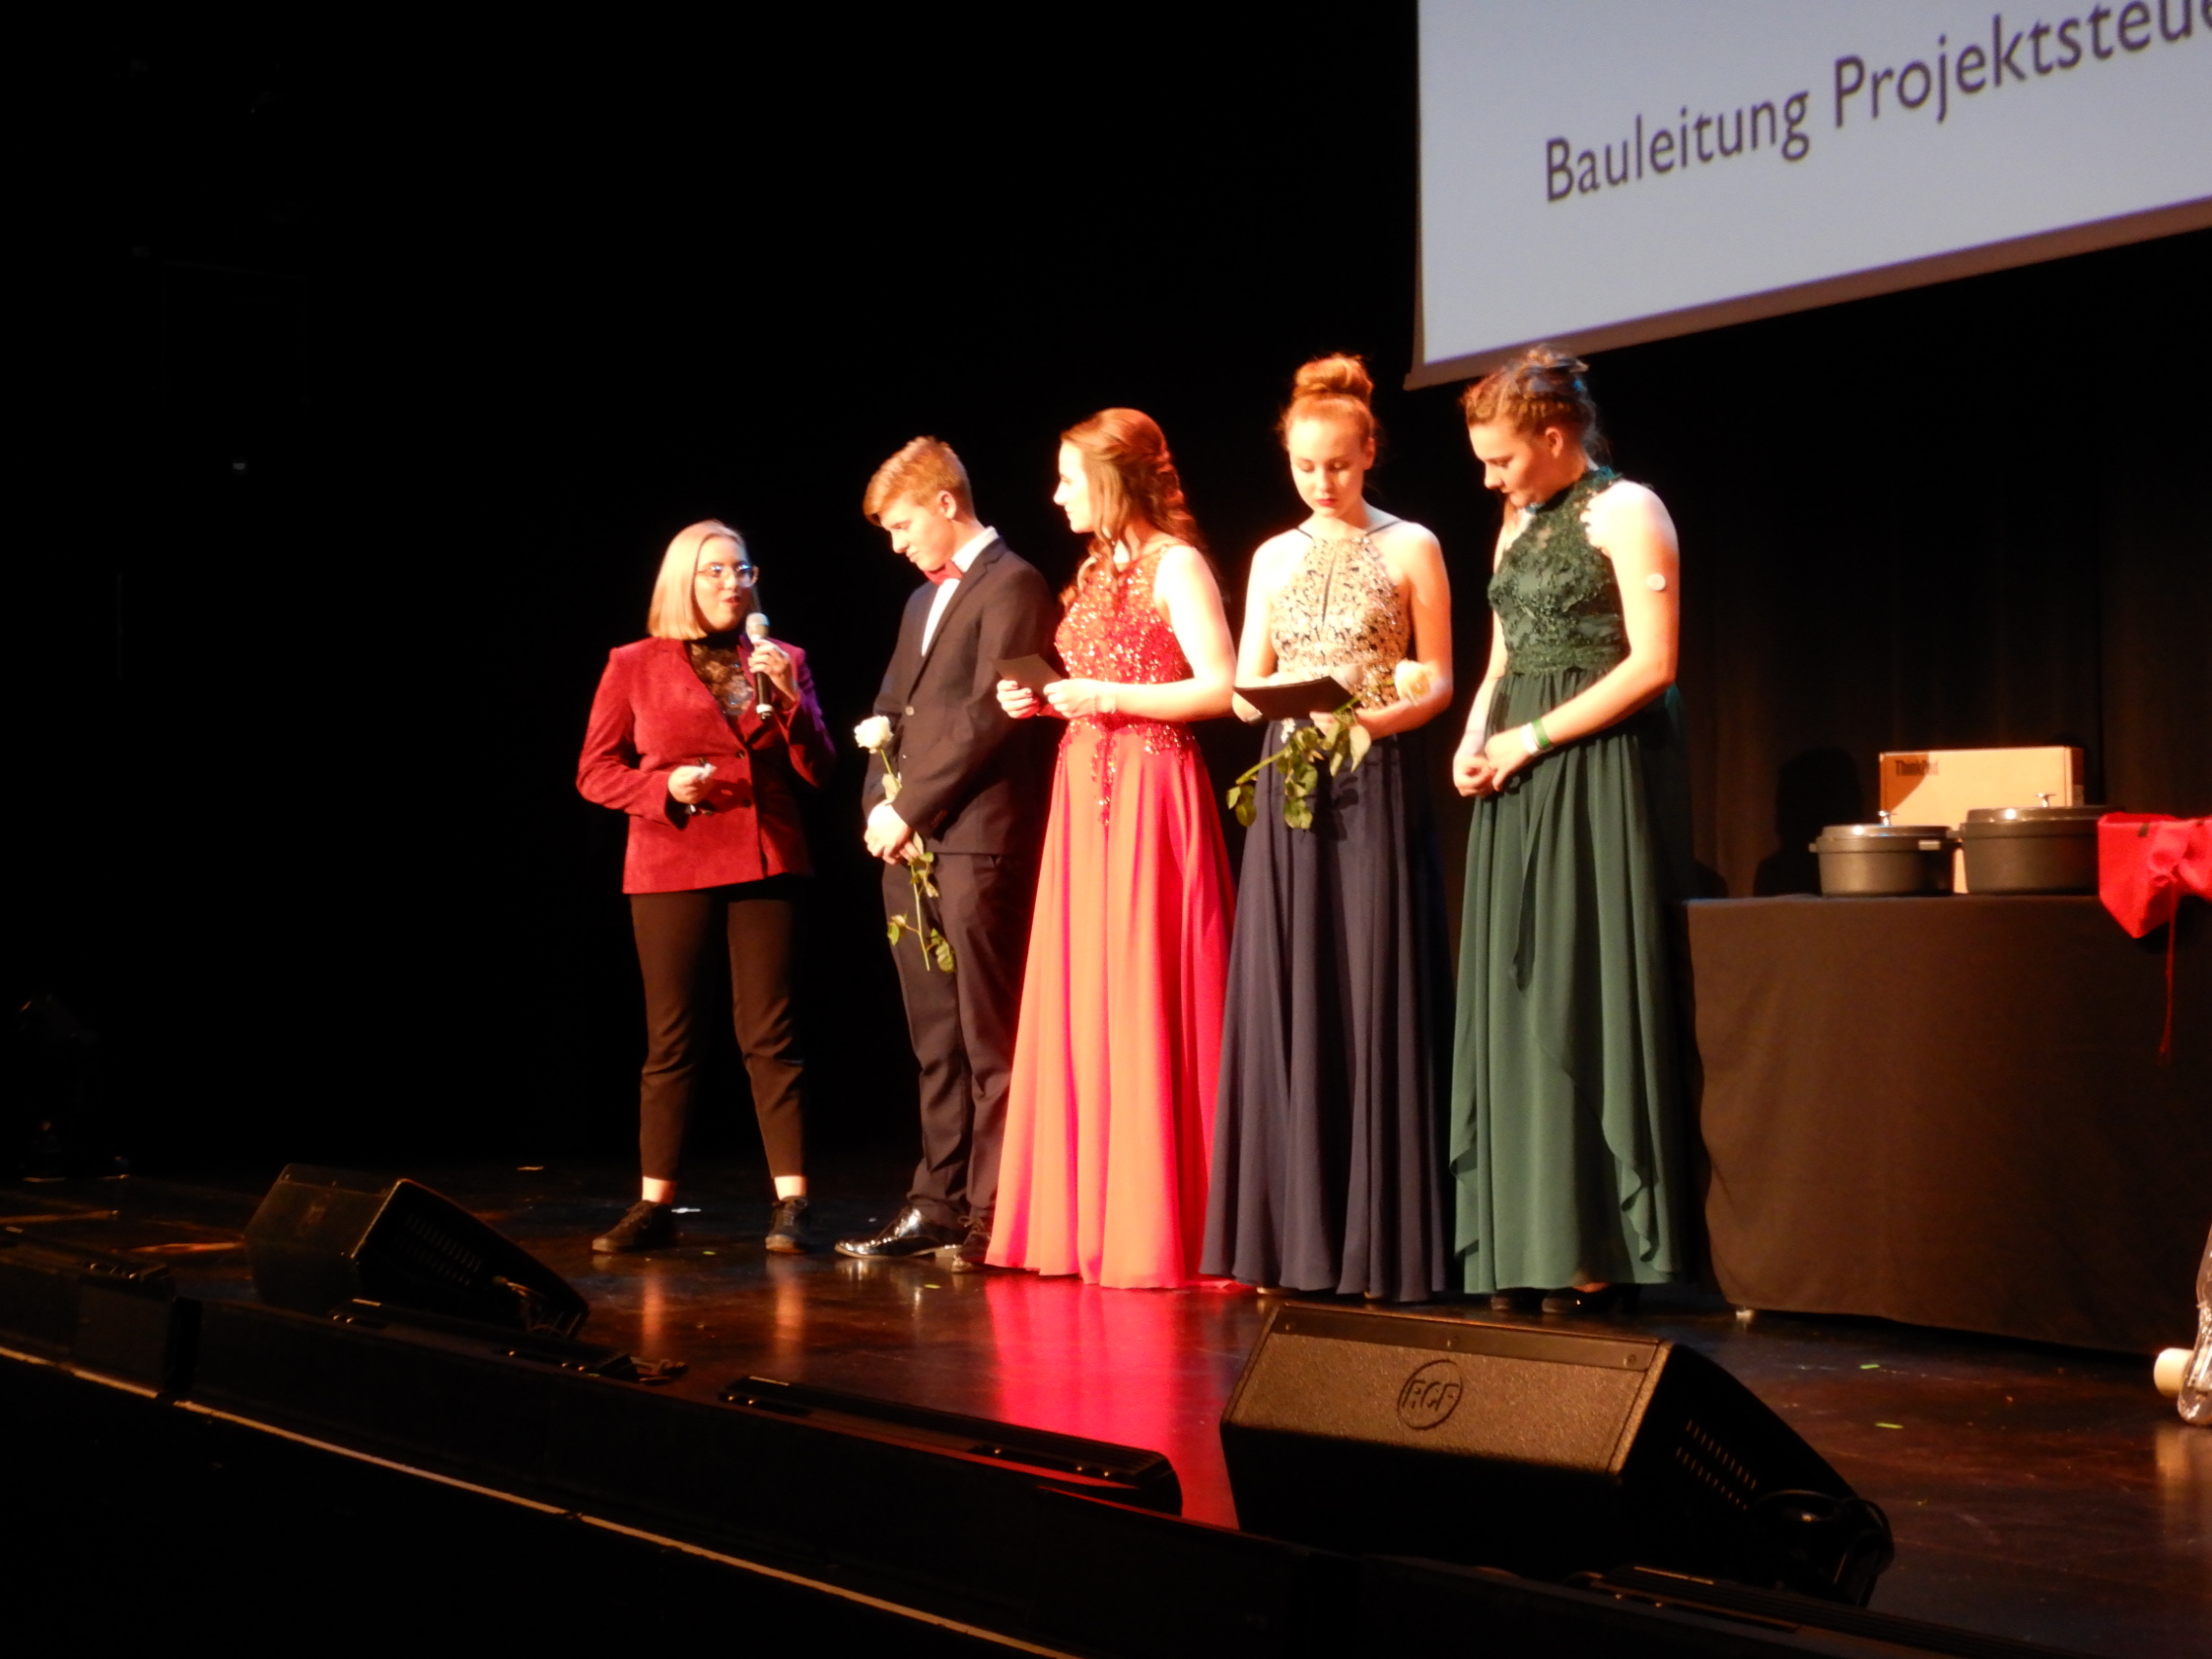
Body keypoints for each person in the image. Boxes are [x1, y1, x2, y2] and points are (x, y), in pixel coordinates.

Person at [1202, 354, 1456, 1304]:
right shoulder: (1272, 554)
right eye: (1306, 466)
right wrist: (1277, 701)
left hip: (1374, 777)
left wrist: (1373, 717)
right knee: (1293, 984)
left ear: (1369, 453)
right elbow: (1242, 687)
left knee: (1369, 982)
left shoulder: (1412, 544)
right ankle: (1294, 1239)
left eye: (1338, 465)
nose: (1321, 481)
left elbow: (1438, 678)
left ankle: (1378, 1241)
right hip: (1289, 782)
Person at [1448, 346, 1693, 1314]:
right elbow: (1501, 658)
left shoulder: (1627, 509)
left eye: (1501, 458)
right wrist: (1477, 740)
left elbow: (1654, 665)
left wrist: (1534, 737)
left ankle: (1594, 1246)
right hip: (1516, 768)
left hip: (1597, 767)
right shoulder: (1516, 522)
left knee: (1578, 977)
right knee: (1514, 987)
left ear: (1555, 437)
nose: (1490, 478)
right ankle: (1524, 1240)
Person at [988, 410, 1236, 1289]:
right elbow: (1090, 687)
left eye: (1069, 478)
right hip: (1083, 784)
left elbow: (1221, 689)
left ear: (1114, 479)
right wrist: (1048, 700)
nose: (1056, 495)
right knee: (1086, 989)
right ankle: (1084, 1219)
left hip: (1152, 790)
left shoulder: (1178, 565)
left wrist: (1105, 695)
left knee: (1146, 984)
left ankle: (1163, 1224)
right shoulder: (1095, 571)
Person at [577, 520, 835, 1253]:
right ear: (683, 581)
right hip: (671, 859)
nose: (733, 583)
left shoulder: (783, 658)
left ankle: (793, 1201)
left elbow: (819, 768)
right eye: (716, 571)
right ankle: (653, 1204)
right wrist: (662, 788)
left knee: (772, 1036)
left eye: (742, 570)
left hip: (766, 856)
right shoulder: (633, 663)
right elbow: (594, 772)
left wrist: (790, 698)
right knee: (672, 1040)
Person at [836, 438, 1059, 1271]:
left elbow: (987, 717)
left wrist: (911, 807)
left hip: (978, 839)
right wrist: (878, 805)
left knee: (988, 1036)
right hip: (914, 843)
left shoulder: (1014, 583)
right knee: (936, 1036)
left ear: (943, 503)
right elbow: (887, 713)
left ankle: (994, 1213)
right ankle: (936, 1201)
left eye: (903, 526)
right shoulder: (918, 603)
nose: (898, 545)